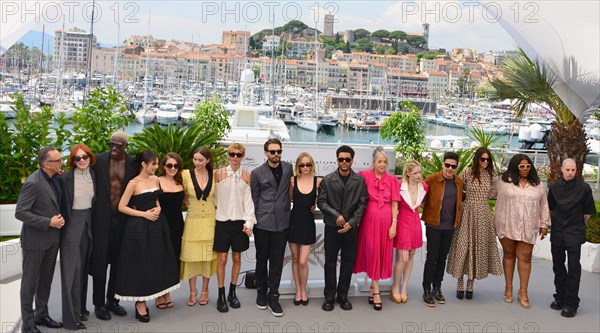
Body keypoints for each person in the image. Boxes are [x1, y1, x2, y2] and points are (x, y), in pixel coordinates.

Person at [114, 150, 180, 323]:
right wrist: (143, 214)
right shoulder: (133, 183)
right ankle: (140, 303)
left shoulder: (156, 179)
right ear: (144, 164)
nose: (157, 167)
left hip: (158, 225)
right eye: (154, 164)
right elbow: (121, 206)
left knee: (157, 261)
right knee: (140, 264)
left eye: (157, 163)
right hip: (138, 228)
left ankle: (158, 295)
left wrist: (158, 209)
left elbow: (157, 200)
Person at [16, 146, 65, 333]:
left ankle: (41, 315)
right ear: (47, 164)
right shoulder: (33, 182)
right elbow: (20, 212)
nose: (61, 162)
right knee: (29, 284)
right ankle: (28, 323)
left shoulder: (56, 178)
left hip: (52, 240)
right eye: (58, 160)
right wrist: (48, 222)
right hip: (34, 241)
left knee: (45, 280)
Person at [446, 147, 502, 300]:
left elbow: (494, 193)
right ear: (477, 159)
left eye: (488, 159)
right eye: (482, 159)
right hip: (467, 213)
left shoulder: (491, 175)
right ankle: (459, 283)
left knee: (477, 249)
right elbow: (457, 188)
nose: (485, 162)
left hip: (483, 214)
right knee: (463, 247)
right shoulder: (467, 172)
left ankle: (470, 283)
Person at [495, 154, 550, 309]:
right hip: (507, 223)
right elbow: (489, 192)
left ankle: (523, 291)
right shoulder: (503, 181)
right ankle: (508, 287)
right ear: (514, 167)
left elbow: (544, 204)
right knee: (509, 254)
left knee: (525, 257)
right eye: (521, 166)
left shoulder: (537, 184)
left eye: (528, 166)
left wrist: (544, 224)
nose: (525, 169)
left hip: (529, 225)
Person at [318, 145, 368, 312]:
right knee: (330, 262)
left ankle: (343, 295)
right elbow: (321, 202)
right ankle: (329, 297)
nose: (344, 162)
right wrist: (336, 216)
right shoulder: (328, 179)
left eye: (347, 159)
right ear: (337, 160)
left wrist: (351, 222)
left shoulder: (359, 181)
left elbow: (362, 204)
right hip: (332, 227)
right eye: (341, 159)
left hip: (351, 229)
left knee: (348, 262)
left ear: (352, 160)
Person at [90, 131, 134, 320]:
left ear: (125, 146)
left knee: (118, 263)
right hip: (101, 219)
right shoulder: (98, 160)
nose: (114, 149)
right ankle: (99, 304)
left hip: (123, 220)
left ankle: (113, 301)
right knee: (100, 262)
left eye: (118, 146)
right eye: (111, 145)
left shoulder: (132, 164)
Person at [547, 158, 596, 318]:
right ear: (561, 169)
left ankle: (571, 303)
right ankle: (559, 298)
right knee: (558, 267)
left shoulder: (584, 188)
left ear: (577, 170)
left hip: (575, 233)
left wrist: (577, 226)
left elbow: (587, 213)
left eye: (573, 170)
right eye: (567, 170)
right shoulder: (554, 188)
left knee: (574, 268)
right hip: (558, 233)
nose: (570, 173)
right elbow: (552, 210)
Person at [250, 138, 293, 317]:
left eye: (279, 151)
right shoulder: (257, 173)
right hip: (263, 222)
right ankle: (261, 291)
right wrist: (252, 221)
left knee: (276, 262)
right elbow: (253, 199)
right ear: (266, 153)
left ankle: (273, 295)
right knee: (262, 259)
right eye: (273, 151)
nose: (276, 154)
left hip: (282, 222)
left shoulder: (288, 168)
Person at [353, 147, 399, 311]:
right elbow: (350, 185)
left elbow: (395, 203)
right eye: (379, 161)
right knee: (372, 252)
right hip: (369, 220)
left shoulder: (392, 180)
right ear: (373, 162)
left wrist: (394, 223)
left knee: (380, 253)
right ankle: (377, 290)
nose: (382, 164)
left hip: (386, 221)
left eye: (385, 162)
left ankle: (373, 288)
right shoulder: (364, 175)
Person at [213, 143, 256, 312]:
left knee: (237, 259)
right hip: (222, 222)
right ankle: (221, 294)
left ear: (243, 156)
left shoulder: (247, 176)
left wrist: (249, 223)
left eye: (239, 155)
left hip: (239, 224)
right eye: (232, 154)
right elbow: (213, 198)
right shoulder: (219, 173)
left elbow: (248, 201)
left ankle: (232, 292)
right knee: (222, 259)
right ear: (228, 155)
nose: (235, 157)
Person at [60, 144, 96, 330]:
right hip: (71, 226)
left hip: (88, 226)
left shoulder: (94, 175)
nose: (82, 161)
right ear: (72, 161)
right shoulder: (65, 177)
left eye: (85, 157)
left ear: (90, 157)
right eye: (77, 158)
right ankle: (70, 318)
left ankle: (81, 309)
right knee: (71, 274)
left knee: (82, 272)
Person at [421, 151, 464, 307]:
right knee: (431, 258)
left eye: (453, 166)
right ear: (442, 164)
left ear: (456, 167)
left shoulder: (459, 182)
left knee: (442, 259)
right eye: (447, 165)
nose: (450, 168)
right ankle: (426, 289)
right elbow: (420, 193)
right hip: (433, 224)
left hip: (449, 227)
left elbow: (461, 200)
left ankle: (437, 288)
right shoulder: (432, 179)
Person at [180, 147, 218, 307]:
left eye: (200, 160)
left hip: (209, 220)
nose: (197, 163)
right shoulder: (185, 174)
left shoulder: (215, 175)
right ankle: (192, 291)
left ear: (208, 160)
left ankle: (204, 290)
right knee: (191, 257)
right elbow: (178, 192)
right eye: (195, 159)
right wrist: (184, 199)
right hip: (192, 220)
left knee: (207, 257)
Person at [390, 160, 428, 304]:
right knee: (403, 258)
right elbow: (394, 204)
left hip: (415, 223)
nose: (419, 175)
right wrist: (393, 223)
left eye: (420, 172)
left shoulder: (424, 186)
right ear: (408, 173)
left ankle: (404, 287)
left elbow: (423, 203)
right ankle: (395, 286)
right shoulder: (400, 186)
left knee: (411, 257)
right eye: (416, 173)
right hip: (402, 222)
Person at [288, 152, 321, 306]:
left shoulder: (318, 181)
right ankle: (298, 291)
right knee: (295, 259)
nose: (305, 167)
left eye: (308, 164)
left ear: (312, 165)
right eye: (302, 165)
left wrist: (316, 205)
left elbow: (324, 200)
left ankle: (303, 288)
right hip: (293, 222)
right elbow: (286, 200)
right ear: (298, 167)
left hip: (308, 223)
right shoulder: (293, 181)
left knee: (302, 261)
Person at [156, 152, 185, 309]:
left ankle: (168, 293)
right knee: (162, 259)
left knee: (174, 259)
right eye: (169, 165)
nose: (172, 168)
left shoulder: (180, 183)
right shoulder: (157, 181)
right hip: (161, 224)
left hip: (178, 225)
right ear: (163, 166)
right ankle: (160, 294)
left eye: (176, 165)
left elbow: (185, 201)